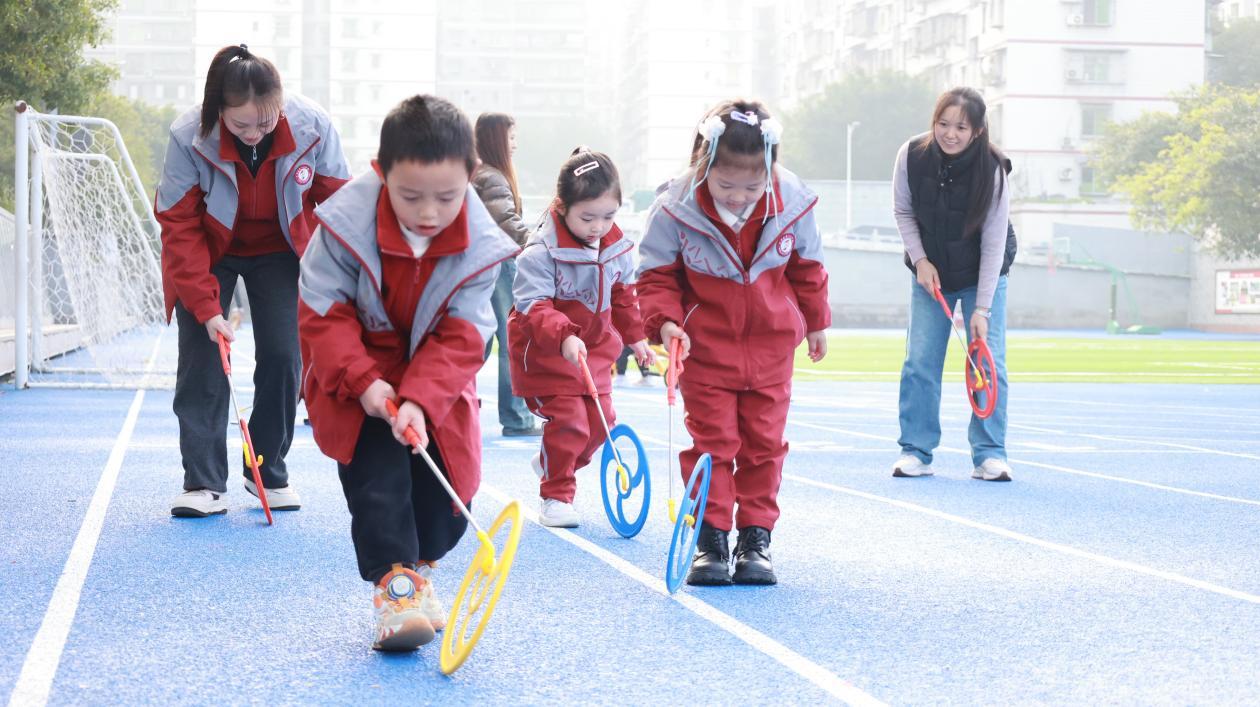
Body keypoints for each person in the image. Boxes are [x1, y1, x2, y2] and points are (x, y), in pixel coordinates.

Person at [297, 95, 518, 651]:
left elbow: (465, 333)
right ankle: (396, 592)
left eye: (446, 197)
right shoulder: (341, 227)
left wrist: (419, 398)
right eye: (410, 196)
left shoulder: (481, 245)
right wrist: (365, 383)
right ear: (382, 173)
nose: (429, 213)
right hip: (358, 378)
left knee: (446, 505)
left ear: (470, 175)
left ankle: (419, 573)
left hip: (435, 384)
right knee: (379, 486)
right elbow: (323, 314)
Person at [637, 100, 830, 586]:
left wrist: (816, 322)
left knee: (764, 448)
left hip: (771, 352)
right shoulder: (675, 207)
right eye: (726, 185)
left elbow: (808, 268)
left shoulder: (793, 203)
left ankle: (756, 540)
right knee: (713, 446)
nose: (740, 197)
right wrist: (665, 323)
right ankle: (711, 540)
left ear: (771, 168)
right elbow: (656, 276)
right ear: (704, 162)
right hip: (704, 352)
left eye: (752, 186)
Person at [155, 44, 349, 518]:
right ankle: (203, 482)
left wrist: (339, 281)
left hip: (281, 250)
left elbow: (340, 208)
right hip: (210, 250)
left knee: (285, 356)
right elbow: (179, 227)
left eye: (265, 122)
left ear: (280, 104)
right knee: (203, 359)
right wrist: (206, 309)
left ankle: (265, 467)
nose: (254, 134)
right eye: (241, 125)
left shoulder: (314, 126)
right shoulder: (188, 136)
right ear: (218, 110)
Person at [507, 148, 655, 528]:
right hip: (548, 354)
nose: (598, 227)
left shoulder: (617, 247)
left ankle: (553, 459)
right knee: (570, 422)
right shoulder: (540, 253)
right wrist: (565, 336)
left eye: (609, 216)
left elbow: (623, 295)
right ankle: (556, 495)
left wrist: (637, 337)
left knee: (602, 423)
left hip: (595, 351)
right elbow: (534, 306)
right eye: (587, 217)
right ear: (562, 206)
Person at [890, 86, 1016, 483]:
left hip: (983, 274)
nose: (950, 134)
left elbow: (994, 240)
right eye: (943, 124)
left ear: (977, 131)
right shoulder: (911, 155)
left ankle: (990, 455)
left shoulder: (992, 168)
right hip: (931, 274)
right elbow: (903, 211)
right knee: (920, 363)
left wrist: (983, 309)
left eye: (961, 127)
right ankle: (916, 451)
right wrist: (920, 260)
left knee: (988, 363)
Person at [472, 113, 541, 436]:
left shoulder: (478, 174)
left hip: (482, 264)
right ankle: (517, 418)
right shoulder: (493, 178)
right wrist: (537, 244)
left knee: (477, 341)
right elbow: (507, 223)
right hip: (499, 265)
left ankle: (450, 405)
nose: (515, 144)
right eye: (511, 138)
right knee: (511, 340)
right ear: (496, 139)